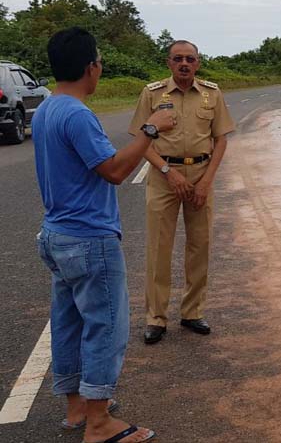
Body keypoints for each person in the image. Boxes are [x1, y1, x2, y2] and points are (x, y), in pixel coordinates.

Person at [33, 27, 174, 443]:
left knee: (69, 323)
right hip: (89, 238)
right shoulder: (77, 115)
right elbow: (113, 170)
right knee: (105, 327)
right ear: (91, 67)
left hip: (56, 234)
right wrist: (150, 130)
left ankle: (77, 407)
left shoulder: (46, 108)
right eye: (99, 62)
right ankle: (98, 423)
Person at [128, 40, 235, 344]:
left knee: (200, 246)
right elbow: (141, 141)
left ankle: (192, 312)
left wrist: (206, 182)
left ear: (198, 63)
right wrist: (168, 172)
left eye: (190, 59)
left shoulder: (212, 94)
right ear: (169, 63)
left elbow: (221, 140)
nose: (184, 64)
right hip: (164, 177)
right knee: (159, 247)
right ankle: (156, 317)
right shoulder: (152, 94)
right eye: (178, 59)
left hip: (201, 174)